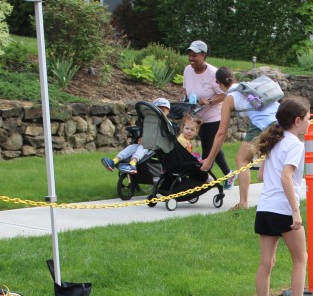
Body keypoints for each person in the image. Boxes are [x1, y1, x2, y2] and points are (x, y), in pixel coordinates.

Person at [250, 97, 313, 296]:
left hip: (266, 208)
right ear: (297, 121)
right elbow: (286, 177)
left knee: (266, 263)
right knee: (301, 258)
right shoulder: (295, 144)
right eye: (308, 118)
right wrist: (296, 212)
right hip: (284, 209)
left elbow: (261, 176)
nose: (309, 123)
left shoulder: (274, 141)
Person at [201, 67, 281, 211]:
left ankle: (243, 203)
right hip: (282, 119)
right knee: (274, 160)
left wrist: (209, 160)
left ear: (219, 83)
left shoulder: (229, 98)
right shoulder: (248, 87)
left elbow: (221, 134)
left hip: (262, 124)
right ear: (233, 78)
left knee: (242, 160)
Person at [182, 40, 232, 184]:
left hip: (213, 115)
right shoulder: (187, 70)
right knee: (211, 148)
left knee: (208, 148)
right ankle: (226, 175)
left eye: (194, 56)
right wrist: (184, 101)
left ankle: (205, 179)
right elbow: (185, 89)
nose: (191, 58)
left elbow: (224, 94)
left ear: (203, 55)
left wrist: (209, 101)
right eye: (190, 55)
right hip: (196, 116)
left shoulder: (213, 73)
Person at [101, 98, 172, 175]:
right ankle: (114, 161)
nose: (160, 112)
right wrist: (142, 138)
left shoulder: (167, 124)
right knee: (131, 147)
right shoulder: (149, 123)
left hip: (157, 146)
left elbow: (166, 138)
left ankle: (132, 163)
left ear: (168, 112)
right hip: (146, 143)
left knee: (143, 147)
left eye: (163, 111)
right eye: (158, 110)